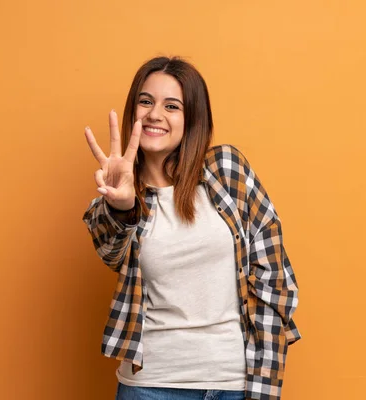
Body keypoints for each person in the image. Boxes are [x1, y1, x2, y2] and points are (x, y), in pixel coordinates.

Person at [82, 56, 301, 400]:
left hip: (232, 384)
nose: (155, 114)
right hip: (151, 387)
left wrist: (262, 389)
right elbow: (110, 250)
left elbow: (275, 280)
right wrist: (122, 206)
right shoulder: (119, 201)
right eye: (146, 101)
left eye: (172, 106)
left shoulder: (228, 171)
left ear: (192, 119)